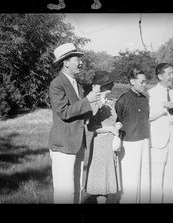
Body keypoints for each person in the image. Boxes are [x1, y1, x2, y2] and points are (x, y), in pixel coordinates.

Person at [48, 43, 101, 204]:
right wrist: (87, 100)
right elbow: (64, 112)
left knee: (76, 189)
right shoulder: (57, 84)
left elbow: (80, 113)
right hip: (63, 145)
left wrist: (95, 105)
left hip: (77, 143)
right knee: (65, 193)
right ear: (66, 62)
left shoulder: (76, 84)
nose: (81, 63)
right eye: (77, 59)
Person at [148, 63, 173, 203]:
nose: (172, 76)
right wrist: (164, 107)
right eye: (169, 73)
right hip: (158, 139)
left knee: (170, 176)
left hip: (172, 139)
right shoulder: (151, 93)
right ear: (160, 76)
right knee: (157, 177)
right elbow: (149, 115)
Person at [85, 71, 123, 204]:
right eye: (110, 82)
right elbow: (90, 127)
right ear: (103, 86)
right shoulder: (95, 103)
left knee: (107, 182)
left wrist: (116, 125)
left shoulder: (109, 102)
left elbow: (111, 122)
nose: (113, 84)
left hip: (110, 145)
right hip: (100, 144)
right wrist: (109, 129)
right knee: (101, 185)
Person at [115, 68, 150, 203]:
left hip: (144, 142)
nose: (144, 84)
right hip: (129, 145)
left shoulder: (145, 99)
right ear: (132, 81)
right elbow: (116, 121)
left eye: (145, 82)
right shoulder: (123, 100)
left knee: (143, 180)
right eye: (142, 82)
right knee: (130, 182)